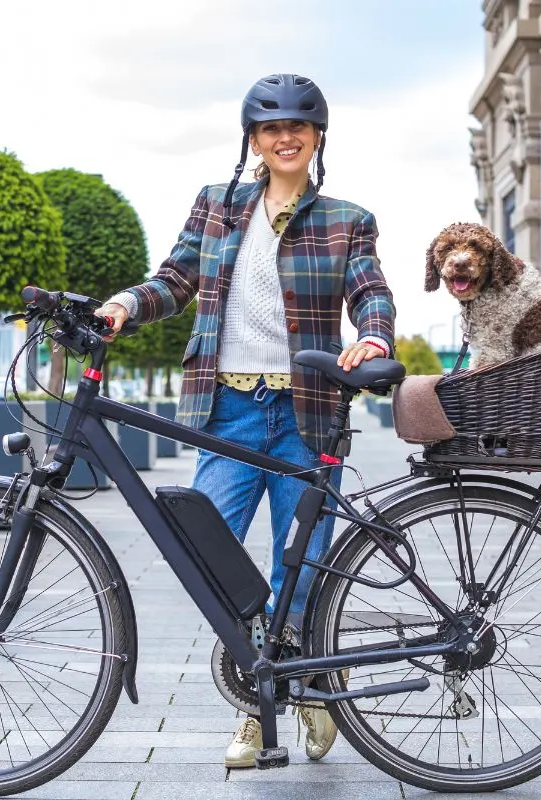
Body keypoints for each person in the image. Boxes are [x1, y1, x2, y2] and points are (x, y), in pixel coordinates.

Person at [97, 73, 396, 768]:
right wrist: (124, 305)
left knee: (304, 565)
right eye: (269, 129)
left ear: (318, 137)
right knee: (213, 557)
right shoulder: (217, 205)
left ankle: (291, 694)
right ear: (252, 140)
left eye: (298, 127)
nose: (284, 138)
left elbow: (370, 289)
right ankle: (282, 675)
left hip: (305, 410)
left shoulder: (347, 219)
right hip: (226, 410)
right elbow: (176, 280)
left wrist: (374, 335)